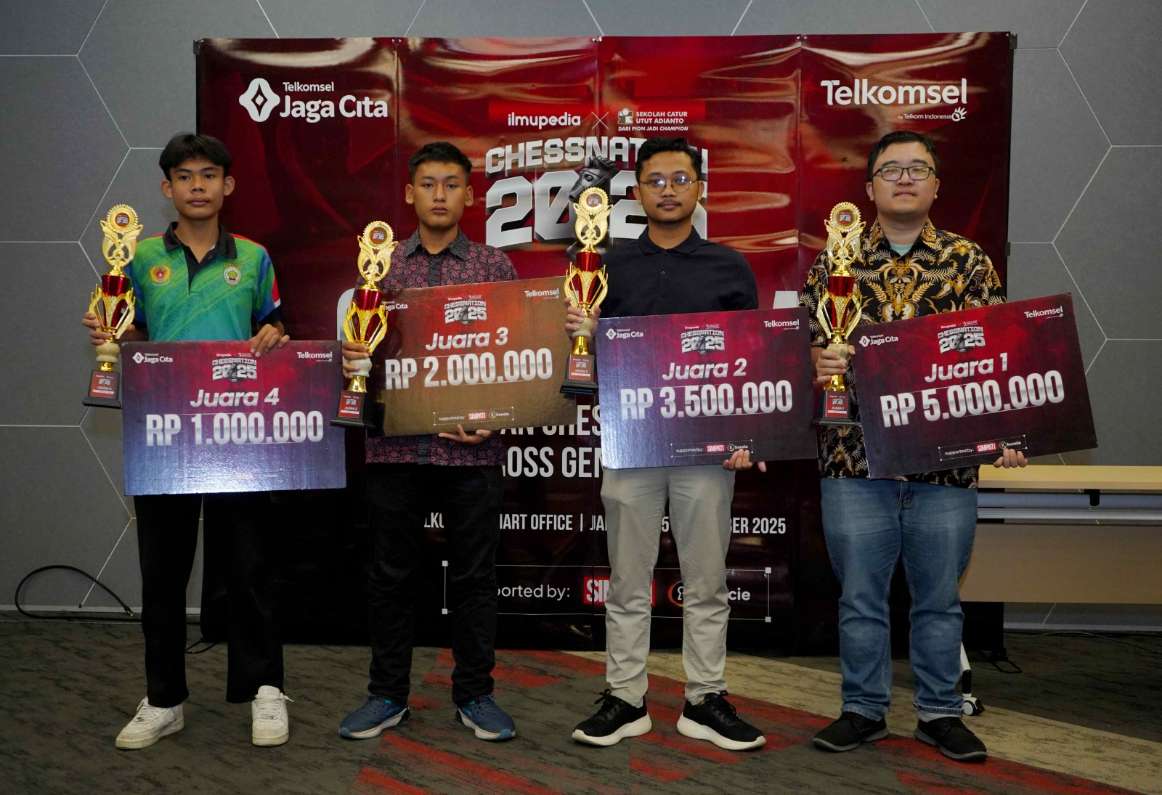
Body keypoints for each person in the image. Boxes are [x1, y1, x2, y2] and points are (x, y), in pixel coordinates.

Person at [800, 130, 1026, 763]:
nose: (904, 178)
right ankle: (863, 710)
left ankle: (940, 713)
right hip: (854, 459)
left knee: (939, 600)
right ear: (869, 187)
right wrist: (820, 363)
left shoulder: (968, 261)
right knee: (860, 599)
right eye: (891, 169)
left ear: (936, 185)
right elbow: (807, 349)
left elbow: (993, 354)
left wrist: (1006, 432)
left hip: (944, 465)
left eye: (917, 169)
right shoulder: (835, 259)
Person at [83, 132, 291, 750]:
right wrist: (110, 331)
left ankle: (264, 689)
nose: (197, 186)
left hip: (237, 432)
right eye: (184, 176)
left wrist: (275, 336)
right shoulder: (138, 257)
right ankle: (164, 698)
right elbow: (130, 332)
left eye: (208, 175)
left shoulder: (253, 257)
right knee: (162, 572)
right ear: (166, 187)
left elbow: (274, 325)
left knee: (250, 567)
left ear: (228, 185)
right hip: (165, 433)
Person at [565, 136, 766, 751]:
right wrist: (583, 332)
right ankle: (625, 699)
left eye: (681, 179)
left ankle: (705, 699)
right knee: (628, 580)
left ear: (700, 188)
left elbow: (749, 360)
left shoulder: (730, 268)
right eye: (656, 180)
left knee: (706, 581)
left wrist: (745, 435)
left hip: (706, 450)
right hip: (633, 443)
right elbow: (591, 356)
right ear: (636, 192)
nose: (669, 190)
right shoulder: (607, 266)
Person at [338, 142, 518, 742]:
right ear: (409, 193)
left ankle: (476, 694)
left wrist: (496, 415)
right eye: (428, 184)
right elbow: (364, 359)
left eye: (451, 184)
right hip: (397, 447)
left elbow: (515, 357)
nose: (440, 195)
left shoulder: (495, 266)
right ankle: (387, 694)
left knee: (475, 577)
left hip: (474, 448)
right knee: (391, 575)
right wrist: (354, 357)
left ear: (470, 194)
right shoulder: (380, 266)